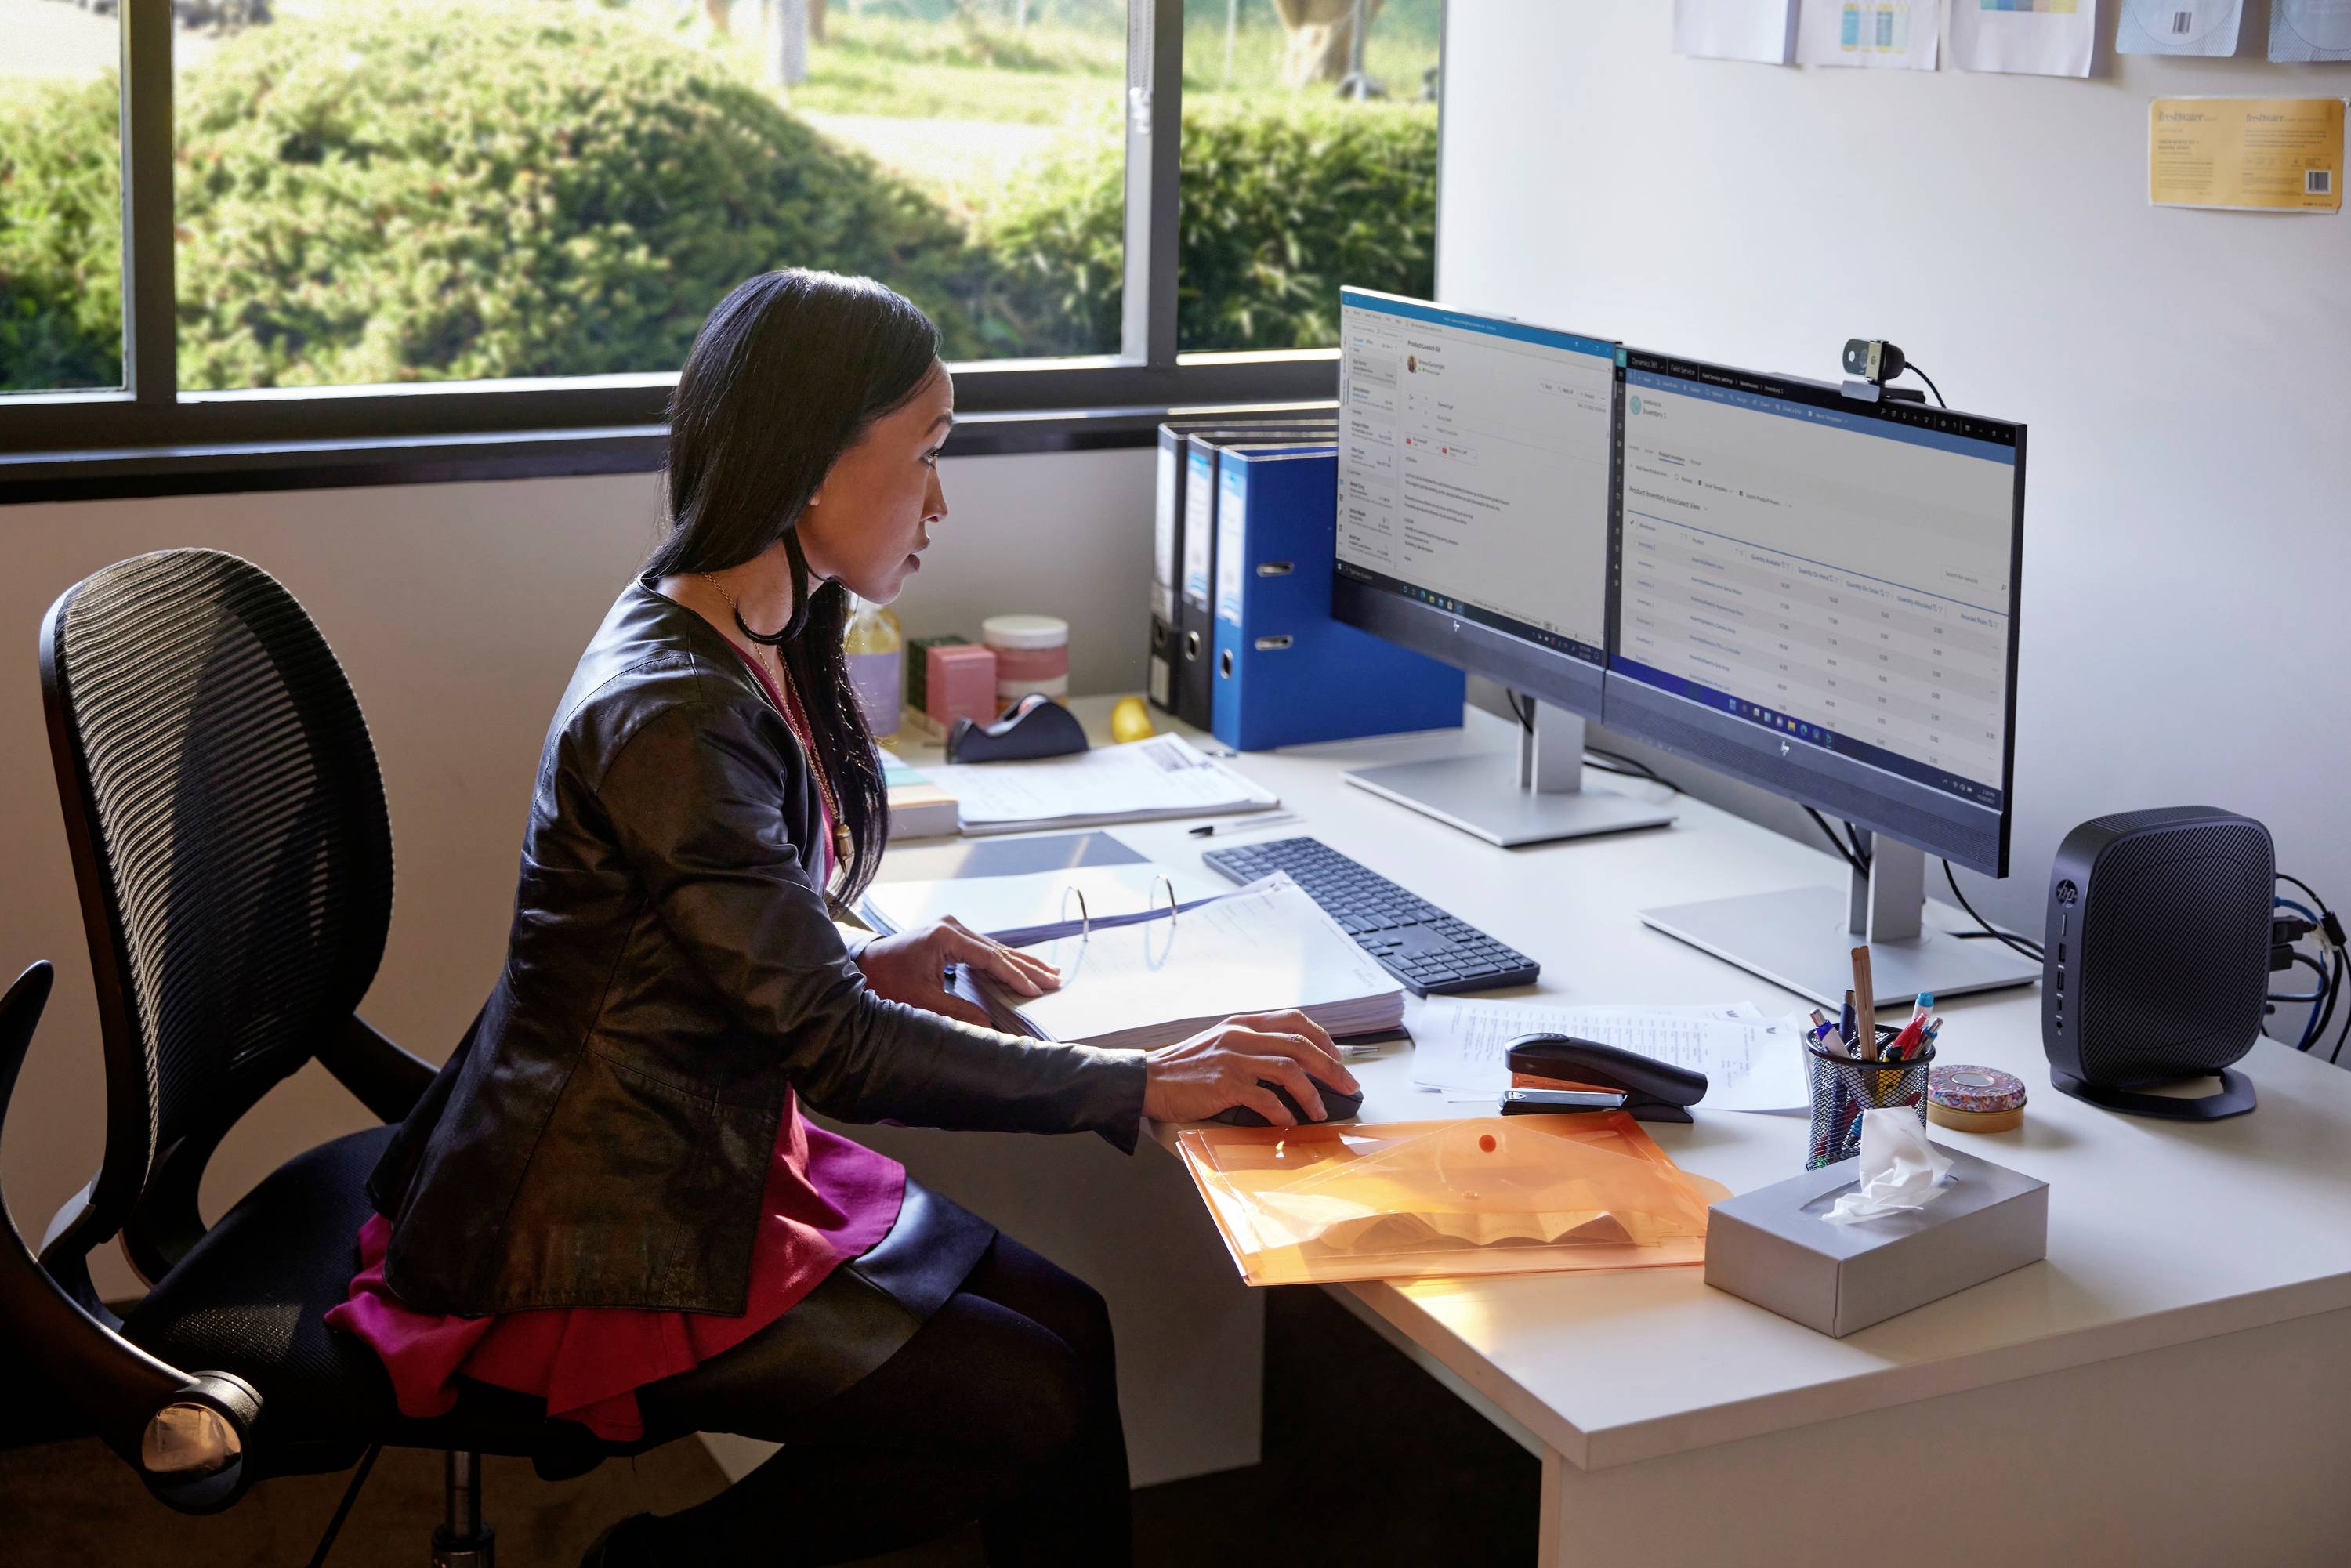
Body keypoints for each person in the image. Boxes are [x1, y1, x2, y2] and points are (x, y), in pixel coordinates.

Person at [325, 269, 1357, 1567]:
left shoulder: (742, 622)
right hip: (603, 1217)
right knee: (1025, 1402)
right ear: (811, 463)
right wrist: (1142, 1083)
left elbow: (733, 940)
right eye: (925, 451)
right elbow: (837, 1050)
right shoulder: (677, 712)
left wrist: (871, 954)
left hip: (695, 1139)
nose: (941, 498)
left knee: (1076, 1336)